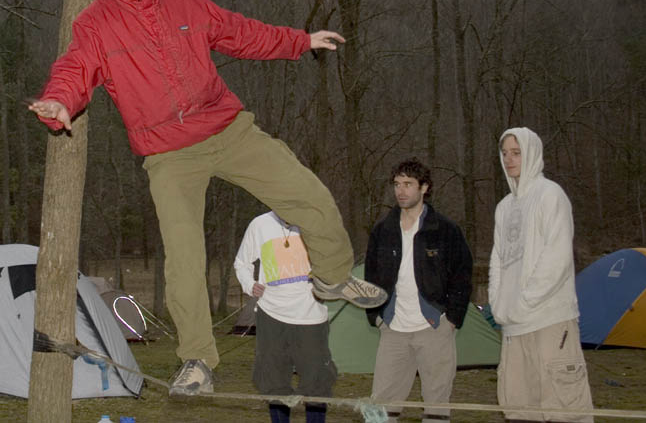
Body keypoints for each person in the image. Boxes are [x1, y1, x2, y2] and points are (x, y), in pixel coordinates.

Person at [29, 0, 386, 396]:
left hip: (228, 128)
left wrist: (300, 41)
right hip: (170, 155)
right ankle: (197, 360)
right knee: (183, 258)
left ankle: (333, 277)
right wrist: (58, 104)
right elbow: (74, 69)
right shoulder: (97, 22)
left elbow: (240, 32)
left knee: (310, 195)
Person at [490, 128, 593, 423]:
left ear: (532, 153)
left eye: (516, 152)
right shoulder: (504, 207)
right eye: (505, 153)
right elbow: (498, 259)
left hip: (550, 319)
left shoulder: (551, 196)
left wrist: (524, 302)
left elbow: (557, 258)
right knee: (520, 409)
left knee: (563, 408)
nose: (509, 159)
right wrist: (499, 305)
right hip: (512, 327)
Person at [364, 159, 473, 423]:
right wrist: (376, 316)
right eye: (397, 184)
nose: (401, 191)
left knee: (436, 405)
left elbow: (462, 276)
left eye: (408, 184)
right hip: (393, 329)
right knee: (379, 407)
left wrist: (451, 319)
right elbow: (371, 277)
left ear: (424, 188)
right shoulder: (383, 230)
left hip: (434, 327)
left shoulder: (445, 230)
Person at [234, 211, 337, 423]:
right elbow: (241, 263)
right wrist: (250, 284)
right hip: (271, 316)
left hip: (311, 316)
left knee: (316, 383)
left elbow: (333, 263)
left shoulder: (316, 222)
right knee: (275, 382)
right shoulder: (259, 224)